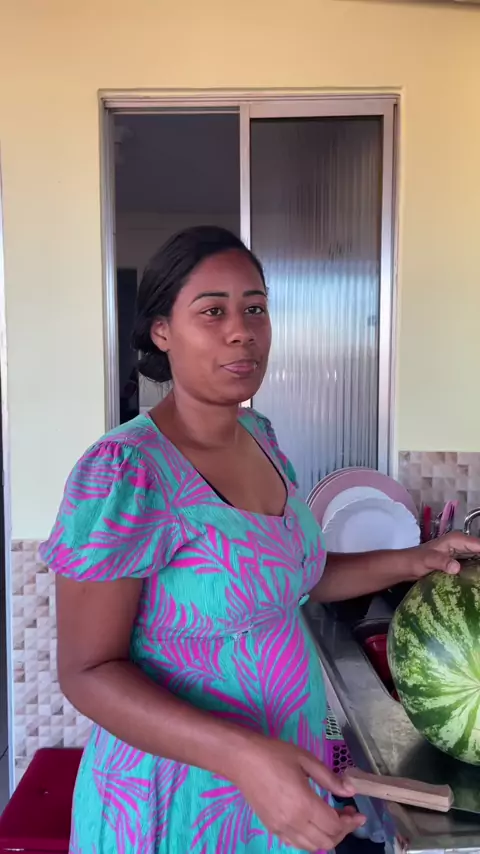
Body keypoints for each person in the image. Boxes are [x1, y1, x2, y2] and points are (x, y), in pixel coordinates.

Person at [40, 226, 480, 854]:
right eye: (211, 311)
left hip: (277, 786)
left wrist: (414, 560)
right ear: (162, 332)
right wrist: (243, 758)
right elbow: (87, 672)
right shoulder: (126, 470)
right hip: (177, 800)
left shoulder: (260, 437)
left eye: (255, 309)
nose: (241, 331)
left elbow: (293, 576)